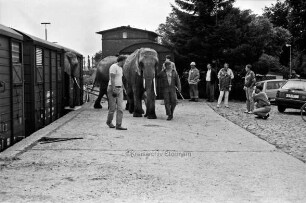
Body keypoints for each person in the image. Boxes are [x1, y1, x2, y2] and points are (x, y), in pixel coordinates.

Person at [106, 55, 127, 130]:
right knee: (112, 108)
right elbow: (112, 78)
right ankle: (109, 122)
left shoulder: (121, 68)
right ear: (122, 60)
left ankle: (118, 125)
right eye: (125, 61)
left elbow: (120, 79)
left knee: (120, 108)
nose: (126, 62)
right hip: (112, 88)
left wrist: (123, 88)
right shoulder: (113, 67)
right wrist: (114, 89)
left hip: (120, 89)